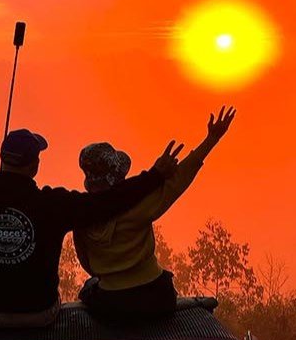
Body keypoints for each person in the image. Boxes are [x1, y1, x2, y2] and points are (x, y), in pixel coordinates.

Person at [0, 128, 183, 330]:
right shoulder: (53, 205)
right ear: (34, 166)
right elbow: (107, 203)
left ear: (2, 160)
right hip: (37, 314)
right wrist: (154, 176)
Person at [74, 106, 236, 321]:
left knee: (89, 289)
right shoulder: (141, 205)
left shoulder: (80, 215)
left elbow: (86, 262)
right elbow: (179, 179)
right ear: (118, 176)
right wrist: (211, 139)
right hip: (155, 297)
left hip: (110, 304)